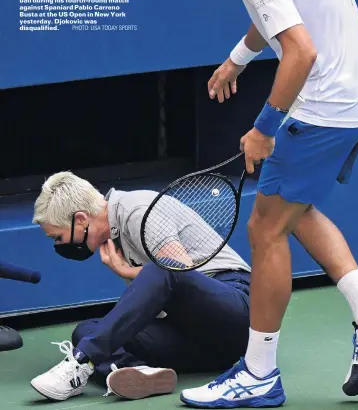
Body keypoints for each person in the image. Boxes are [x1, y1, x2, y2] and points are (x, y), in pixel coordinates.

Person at [156, 0, 358, 408]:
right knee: (294, 208)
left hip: (325, 107)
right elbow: (276, 15)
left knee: (265, 228)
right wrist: (237, 59)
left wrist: (264, 128)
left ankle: (259, 374)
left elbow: (300, 51)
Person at [30, 171, 251, 402]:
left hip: (235, 308)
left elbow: (179, 272)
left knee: (164, 268)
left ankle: (82, 360)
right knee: (86, 330)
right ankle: (139, 373)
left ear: (81, 219)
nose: (59, 245)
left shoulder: (137, 210)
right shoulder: (113, 234)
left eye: (58, 237)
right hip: (205, 344)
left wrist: (128, 272)